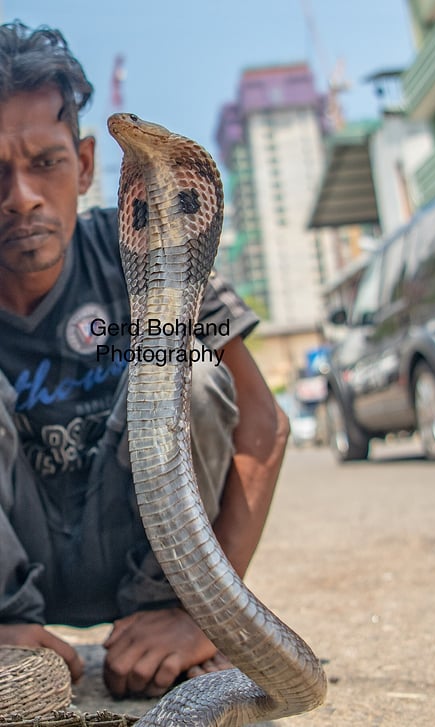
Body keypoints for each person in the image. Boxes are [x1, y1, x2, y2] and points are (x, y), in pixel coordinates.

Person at [0, 21, 290, 699]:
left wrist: (205, 614)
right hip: (21, 555)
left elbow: (262, 423)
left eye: (46, 162)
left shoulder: (149, 247)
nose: (21, 198)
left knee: (195, 371)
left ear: (89, 162)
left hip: (144, 550)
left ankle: (167, 607)